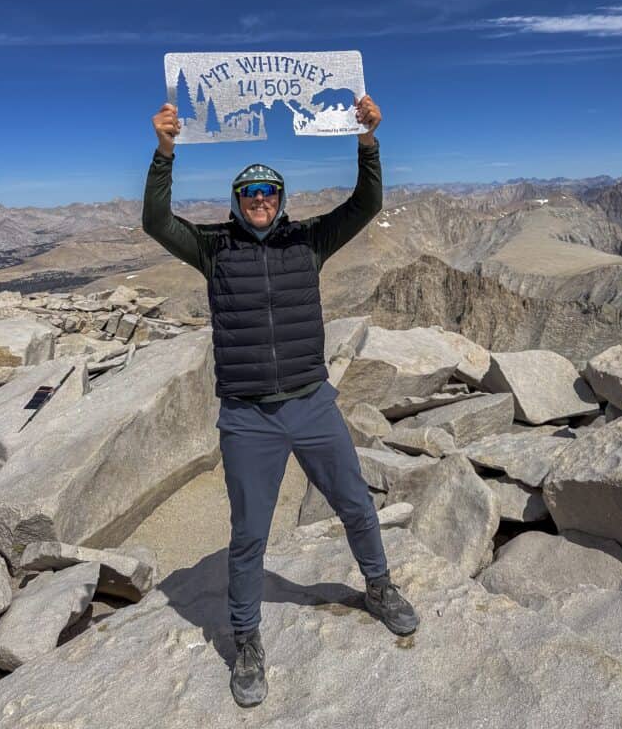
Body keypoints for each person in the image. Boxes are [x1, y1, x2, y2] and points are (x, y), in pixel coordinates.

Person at [142, 93, 419, 708]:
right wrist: (165, 152)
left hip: (312, 403)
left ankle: (378, 586)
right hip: (247, 416)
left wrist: (368, 141)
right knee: (249, 536)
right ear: (237, 204)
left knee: (354, 502)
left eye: (269, 192)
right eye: (250, 194)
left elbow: (366, 203)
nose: (260, 201)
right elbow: (157, 223)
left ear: (281, 199)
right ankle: (247, 641)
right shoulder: (215, 249)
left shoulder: (309, 242)